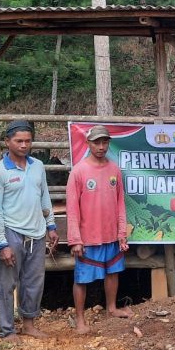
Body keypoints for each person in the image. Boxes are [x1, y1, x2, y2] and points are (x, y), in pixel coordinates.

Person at [0, 120, 59, 342]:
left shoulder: (37, 166)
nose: (24, 145)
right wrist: (2, 243)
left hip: (36, 232)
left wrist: (51, 225)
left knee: (34, 282)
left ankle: (29, 324)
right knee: (7, 284)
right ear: (7, 141)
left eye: (28, 141)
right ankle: (7, 330)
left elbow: (44, 196)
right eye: (18, 141)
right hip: (12, 232)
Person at [66, 125, 131, 334]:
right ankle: (80, 318)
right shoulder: (78, 171)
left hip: (111, 234)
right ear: (88, 143)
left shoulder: (114, 170)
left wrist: (121, 233)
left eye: (105, 142)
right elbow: (72, 208)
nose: (101, 147)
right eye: (96, 142)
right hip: (88, 236)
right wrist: (75, 239)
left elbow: (120, 203)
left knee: (113, 272)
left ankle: (111, 308)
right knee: (82, 278)